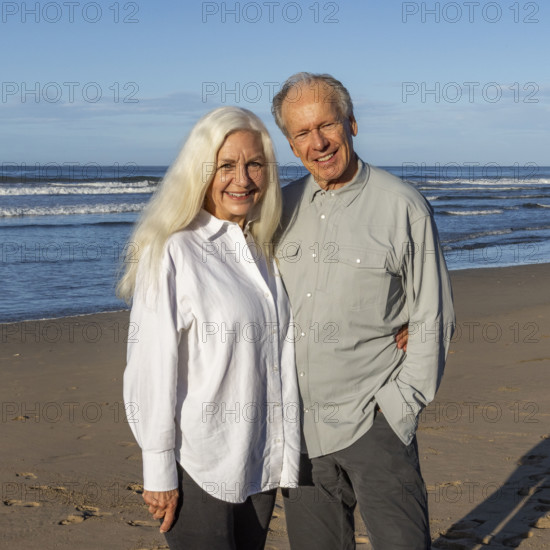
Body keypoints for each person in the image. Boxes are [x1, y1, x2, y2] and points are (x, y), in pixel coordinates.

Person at [271, 73, 456, 549]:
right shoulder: (278, 209)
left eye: (327, 125)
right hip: (301, 437)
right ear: (291, 145)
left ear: (352, 123)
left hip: (375, 424)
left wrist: (399, 407)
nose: (319, 143)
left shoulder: (403, 207)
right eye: (302, 133)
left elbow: (433, 316)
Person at [118, 106, 302, 549]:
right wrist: (159, 471)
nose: (242, 178)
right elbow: (150, 368)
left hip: (262, 456)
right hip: (201, 463)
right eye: (226, 166)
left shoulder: (264, 249)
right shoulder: (173, 251)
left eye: (254, 164)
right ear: (202, 171)